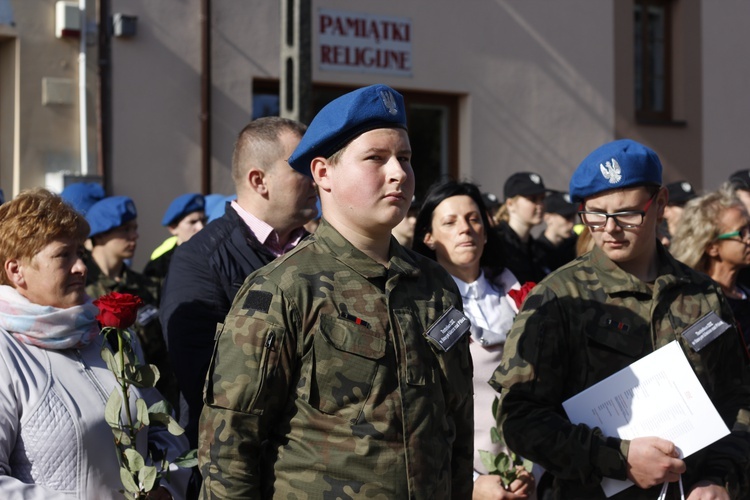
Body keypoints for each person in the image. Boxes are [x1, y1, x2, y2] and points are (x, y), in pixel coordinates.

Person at [199, 84, 474, 498]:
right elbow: (230, 447)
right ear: (323, 174)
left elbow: (458, 424)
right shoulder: (284, 289)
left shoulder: (434, 286)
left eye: (405, 158)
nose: (398, 172)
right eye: (376, 159)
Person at [491, 139, 750, 499]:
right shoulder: (558, 298)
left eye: (627, 214)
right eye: (595, 214)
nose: (609, 229)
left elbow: (739, 400)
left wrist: (720, 478)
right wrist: (618, 459)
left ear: (660, 205)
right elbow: (520, 417)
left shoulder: (702, 294)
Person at [0, 188, 189, 499]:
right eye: (63, 255)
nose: (81, 267)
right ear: (16, 270)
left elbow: (163, 427)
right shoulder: (6, 351)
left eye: (80, 254)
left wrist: (165, 486)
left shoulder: (110, 336)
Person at [160, 116, 317, 450]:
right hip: (239, 462)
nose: (316, 178)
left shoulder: (319, 252)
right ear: (259, 181)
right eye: (302, 167)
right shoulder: (200, 261)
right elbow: (205, 381)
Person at [413, 179, 536, 500]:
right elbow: (416, 413)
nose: (465, 229)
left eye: (473, 219)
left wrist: (533, 466)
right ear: (428, 237)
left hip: (526, 473)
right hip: (455, 480)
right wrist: (470, 481)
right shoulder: (417, 308)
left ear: (486, 228)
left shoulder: (518, 296)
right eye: (450, 222)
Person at [84, 196, 177, 410]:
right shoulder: (83, 289)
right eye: (125, 230)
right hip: (109, 405)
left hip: (155, 400)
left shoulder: (146, 286)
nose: (134, 236)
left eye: (134, 228)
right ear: (100, 235)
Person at [670, 187, 750, 348]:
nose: (748, 237)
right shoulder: (696, 303)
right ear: (712, 247)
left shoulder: (744, 290)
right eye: (742, 232)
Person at [493, 172, 549, 283]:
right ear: (510, 204)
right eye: (533, 199)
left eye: (542, 199)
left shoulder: (537, 249)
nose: (540, 205)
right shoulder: (496, 244)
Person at [143, 193, 206, 282]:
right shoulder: (159, 267)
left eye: (203, 220)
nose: (201, 227)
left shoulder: (215, 257)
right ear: (173, 228)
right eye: (192, 222)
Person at [535, 191, 578, 272]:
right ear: (548, 218)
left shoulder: (575, 246)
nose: (572, 223)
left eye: (573, 217)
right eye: (567, 217)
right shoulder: (536, 253)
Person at [661, 181, 697, 247]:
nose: (692, 208)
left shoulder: (699, 237)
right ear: (666, 211)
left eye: (694, 203)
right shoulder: (660, 242)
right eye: (684, 205)